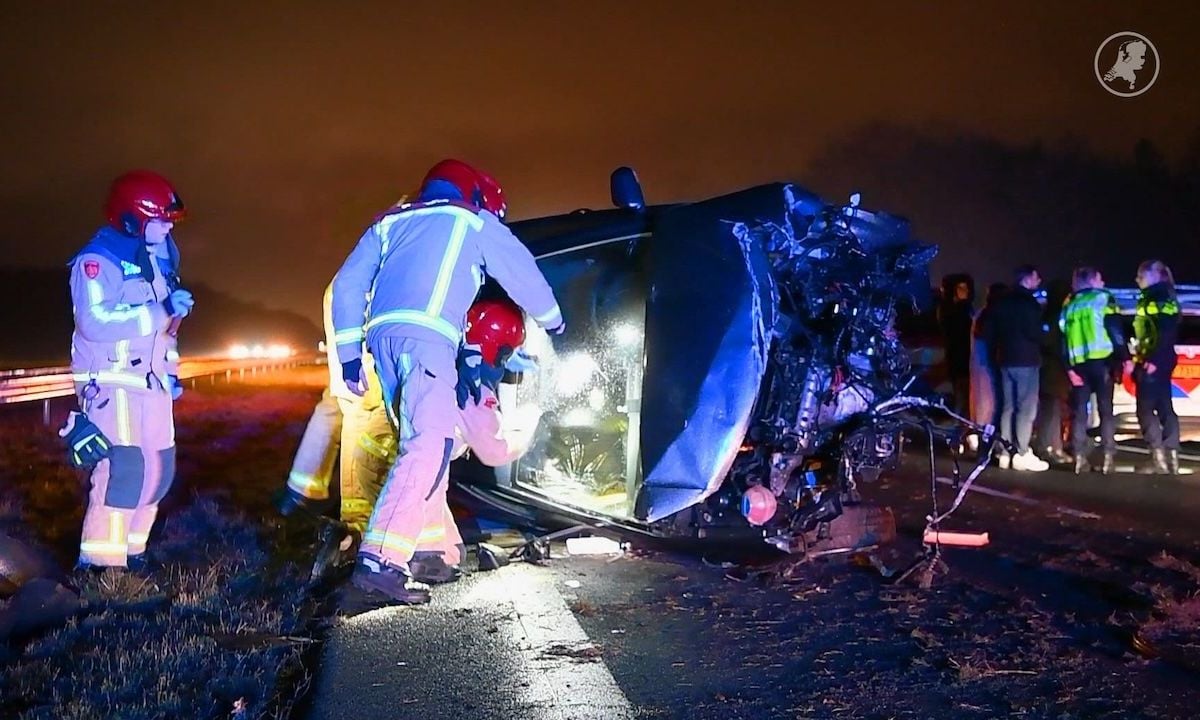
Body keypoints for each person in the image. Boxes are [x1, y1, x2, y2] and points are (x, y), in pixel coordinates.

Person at [331, 159, 564, 604]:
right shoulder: (470, 221)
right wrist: (552, 319)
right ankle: (380, 560)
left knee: (421, 444)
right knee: (428, 446)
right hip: (429, 339)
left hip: (384, 343)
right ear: (474, 196)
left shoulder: (388, 223)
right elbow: (519, 268)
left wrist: (347, 356)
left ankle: (427, 550)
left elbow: (347, 286)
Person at [310, 298, 543, 586]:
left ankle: (341, 547)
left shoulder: (444, 358)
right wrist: (531, 426)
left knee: (443, 549)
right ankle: (358, 565)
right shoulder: (474, 389)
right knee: (407, 544)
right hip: (403, 462)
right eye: (508, 356)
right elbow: (495, 450)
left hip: (378, 445)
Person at [67, 170, 193, 569]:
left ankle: (132, 552)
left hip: (152, 383)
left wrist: (171, 372)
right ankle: (101, 567)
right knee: (124, 468)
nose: (166, 227)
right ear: (132, 218)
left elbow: (164, 335)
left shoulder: (158, 260)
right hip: (112, 382)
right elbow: (95, 322)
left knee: (160, 468)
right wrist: (161, 310)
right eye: (159, 220)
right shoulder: (96, 261)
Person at [1059, 267, 1127, 474]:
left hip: (1078, 365)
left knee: (1079, 413)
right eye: (1100, 278)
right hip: (1103, 362)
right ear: (1091, 281)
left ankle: (1079, 458)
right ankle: (1108, 458)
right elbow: (1115, 330)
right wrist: (1124, 357)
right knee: (1106, 411)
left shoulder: (1069, 305)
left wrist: (1068, 368)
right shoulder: (1103, 299)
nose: (1103, 282)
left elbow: (1063, 340)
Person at [984, 266, 1049, 471]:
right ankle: (1020, 452)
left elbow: (989, 332)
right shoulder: (1029, 304)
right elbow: (1035, 333)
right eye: (1037, 277)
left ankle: (1004, 451)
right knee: (1025, 408)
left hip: (1005, 359)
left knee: (1007, 407)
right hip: (1026, 360)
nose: (1038, 281)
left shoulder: (1001, 303)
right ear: (1029, 279)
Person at [1126, 260, 1181, 475]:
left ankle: (1159, 458)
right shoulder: (1159, 295)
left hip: (1155, 360)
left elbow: (1166, 332)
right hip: (1157, 358)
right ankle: (1171, 458)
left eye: (1141, 276)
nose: (1137, 280)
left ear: (1153, 275)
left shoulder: (1159, 297)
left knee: (1146, 408)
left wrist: (1154, 360)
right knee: (1164, 406)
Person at [1037, 279, 1073, 465]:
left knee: (1052, 410)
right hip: (1054, 371)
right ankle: (1049, 448)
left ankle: (1053, 446)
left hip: (1049, 370)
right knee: (1051, 410)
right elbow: (1053, 344)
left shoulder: (1046, 314)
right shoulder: (1056, 316)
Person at [968, 283, 1006, 448]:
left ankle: (977, 437)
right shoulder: (994, 315)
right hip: (989, 365)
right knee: (991, 405)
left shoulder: (981, 314)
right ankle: (986, 442)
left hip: (978, 364)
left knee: (979, 403)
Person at [938, 275, 974, 416]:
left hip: (961, 356)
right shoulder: (955, 310)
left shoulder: (959, 308)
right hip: (960, 357)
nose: (965, 291)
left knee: (963, 394)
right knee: (962, 393)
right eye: (961, 288)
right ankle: (959, 425)